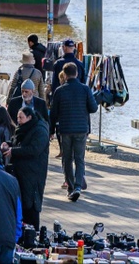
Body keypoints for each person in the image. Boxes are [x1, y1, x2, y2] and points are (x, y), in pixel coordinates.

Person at [48, 62, 97, 202]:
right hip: (81, 129)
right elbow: (93, 108)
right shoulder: (85, 89)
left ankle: (70, 187)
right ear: (76, 73)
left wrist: (51, 131)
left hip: (65, 129)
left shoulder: (59, 91)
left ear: (64, 74)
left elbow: (53, 113)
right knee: (80, 159)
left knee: (67, 159)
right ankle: (77, 186)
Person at [3, 104, 50, 231]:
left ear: (29, 117)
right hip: (21, 171)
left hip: (34, 173)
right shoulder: (23, 128)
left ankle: (33, 232)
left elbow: (34, 149)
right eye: (17, 117)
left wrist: (14, 151)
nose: (18, 121)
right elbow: (17, 142)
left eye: (21, 118)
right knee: (22, 201)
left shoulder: (40, 130)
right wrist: (8, 144)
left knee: (31, 203)